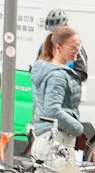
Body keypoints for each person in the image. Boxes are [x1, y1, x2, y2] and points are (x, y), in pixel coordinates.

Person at [28, 26, 86, 161]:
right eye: (73, 47)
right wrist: (77, 128)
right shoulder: (57, 76)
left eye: (79, 46)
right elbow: (52, 109)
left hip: (50, 142)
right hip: (56, 144)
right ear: (59, 48)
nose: (77, 50)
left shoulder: (49, 70)